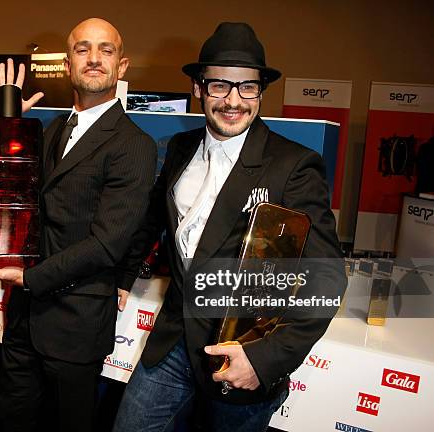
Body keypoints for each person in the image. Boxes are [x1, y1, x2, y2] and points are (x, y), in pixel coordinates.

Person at [113, 23, 347, 431]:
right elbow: (154, 218)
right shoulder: (181, 149)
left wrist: (265, 358)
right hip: (173, 343)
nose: (233, 101)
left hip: (241, 354)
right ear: (198, 89)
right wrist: (124, 274)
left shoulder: (294, 167)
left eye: (247, 87)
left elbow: (326, 278)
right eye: (219, 85)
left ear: (261, 90)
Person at [0, 18, 158, 432]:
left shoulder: (134, 144)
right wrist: (9, 126)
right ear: (66, 64)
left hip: (76, 321)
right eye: (82, 49)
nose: (94, 58)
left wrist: (28, 278)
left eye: (106, 50)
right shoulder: (52, 130)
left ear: (122, 65)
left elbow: (107, 244)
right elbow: (10, 194)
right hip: (26, 318)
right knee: (13, 420)